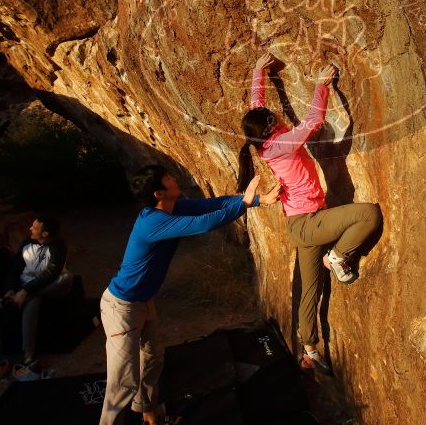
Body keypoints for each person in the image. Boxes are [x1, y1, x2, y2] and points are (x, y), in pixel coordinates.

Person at [236, 52, 382, 375]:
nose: (275, 112)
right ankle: (339, 258)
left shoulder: (263, 140)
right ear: (272, 125)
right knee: (369, 215)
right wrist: (322, 86)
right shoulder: (282, 143)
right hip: (308, 223)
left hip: (299, 222)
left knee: (309, 289)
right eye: (273, 115)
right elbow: (313, 122)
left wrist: (260, 72)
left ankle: (309, 349)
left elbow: (256, 104)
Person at [100, 165, 280, 425]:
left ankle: (148, 413)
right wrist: (244, 205)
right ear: (159, 193)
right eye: (167, 179)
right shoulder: (153, 221)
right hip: (122, 307)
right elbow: (204, 224)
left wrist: (257, 201)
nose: (173, 178)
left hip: (142, 301)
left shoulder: (174, 207)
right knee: (123, 381)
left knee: (152, 358)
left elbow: (213, 205)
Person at [3, 215, 73, 371]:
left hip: (49, 286)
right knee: (33, 302)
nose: (30, 229)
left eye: (34, 227)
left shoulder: (58, 245)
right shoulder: (26, 243)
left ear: (45, 234)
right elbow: (16, 267)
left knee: (67, 277)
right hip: (29, 285)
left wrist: (25, 292)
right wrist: (11, 289)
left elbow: (51, 273)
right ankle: (28, 354)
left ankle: (24, 297)